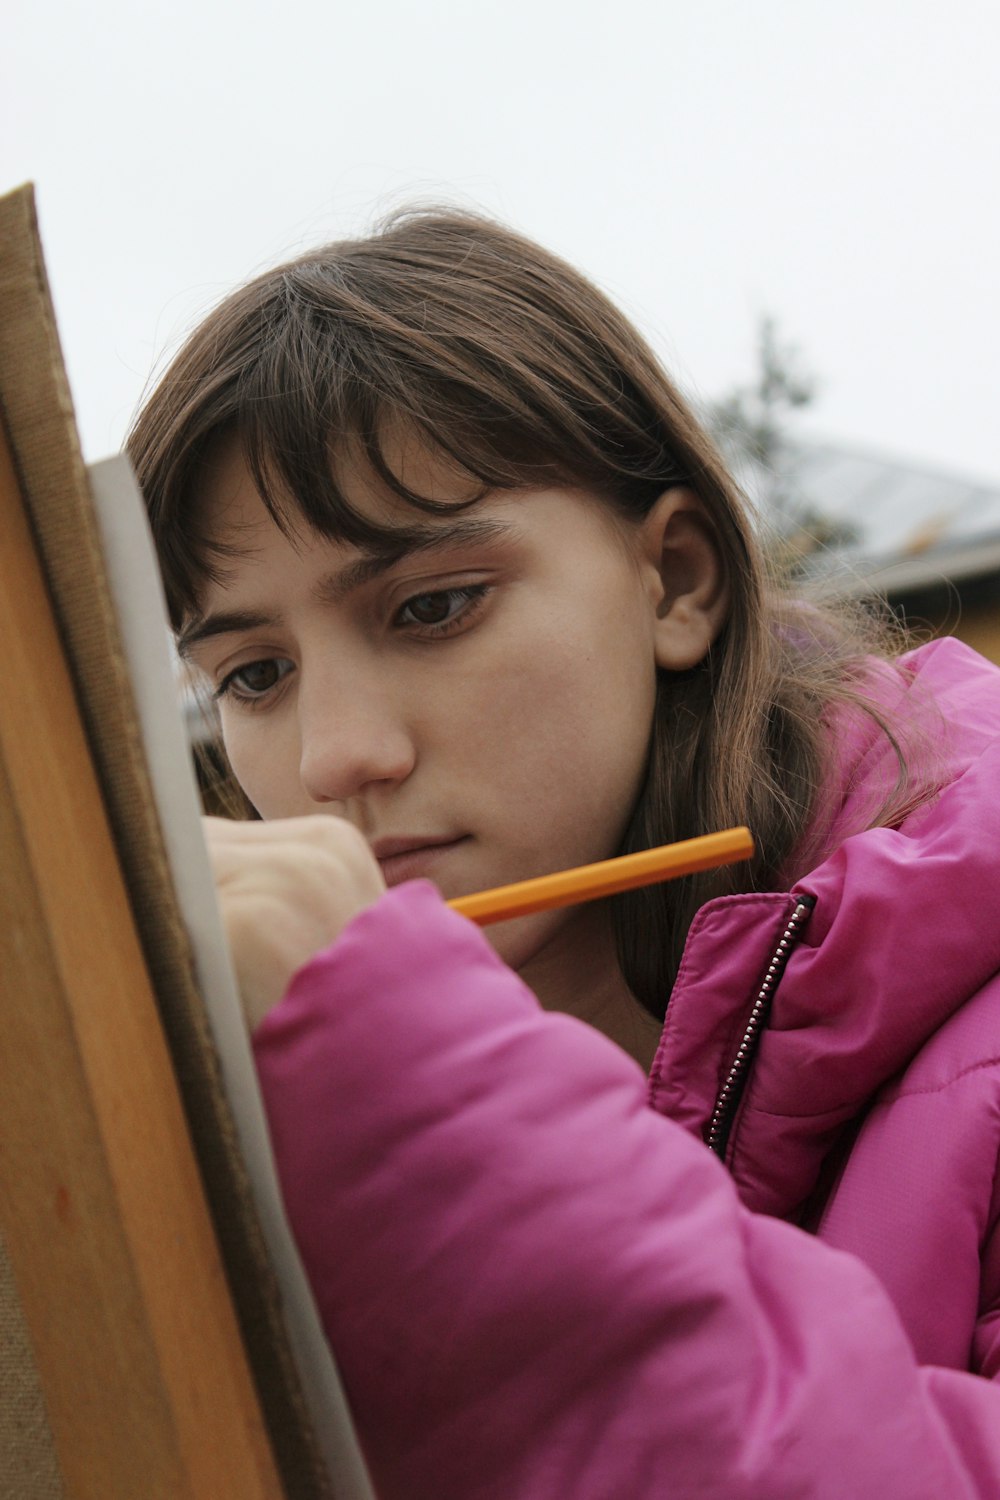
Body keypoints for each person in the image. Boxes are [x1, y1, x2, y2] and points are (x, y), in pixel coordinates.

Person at [128, 210, 1000, 1498]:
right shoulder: (226, 1120)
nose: (333, 760)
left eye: (432, 606)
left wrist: (430, 1118)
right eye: (253, 674)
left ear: (678, 581)